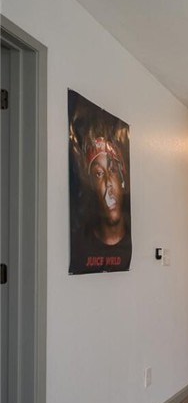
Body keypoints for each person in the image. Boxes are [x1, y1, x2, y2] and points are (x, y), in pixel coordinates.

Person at [68, 92, 132, 273]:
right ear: (91, 187)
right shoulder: (81, 247)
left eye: (112, 170)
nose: (108, 183)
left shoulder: (129, 241)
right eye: (98, 174)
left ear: (122, 180)